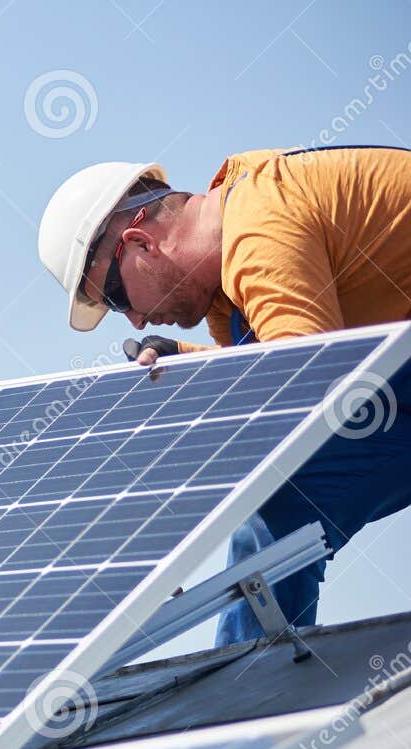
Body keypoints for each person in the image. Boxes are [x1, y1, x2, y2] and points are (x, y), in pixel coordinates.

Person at [38, 147, 411, 644]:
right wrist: (186, 366)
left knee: (276, 487)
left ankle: (255, 690)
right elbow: (268, 374)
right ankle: (258, 692)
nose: (135, 321)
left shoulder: (259, 223)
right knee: (282, 505)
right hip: (391, 377)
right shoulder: (227, 292)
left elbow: (305, 387)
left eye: (117, 298)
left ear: (139, 243)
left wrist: (161, 532)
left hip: (376, 378)